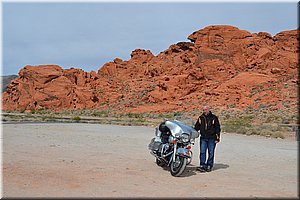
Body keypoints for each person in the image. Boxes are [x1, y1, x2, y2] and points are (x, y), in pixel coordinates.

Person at [194, 105, 221, 172]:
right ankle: (202, 165)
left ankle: (209, 165)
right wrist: (193, 133)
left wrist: (217, 138)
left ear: (209, 109)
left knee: (211, 152)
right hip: (203, 138)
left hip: (212, 138)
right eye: (204, 110)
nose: (205, 111)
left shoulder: (214, 118)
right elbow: (196, 127)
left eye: (206, 109)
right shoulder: (201, 118)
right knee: (202, 152)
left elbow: (217, 128)